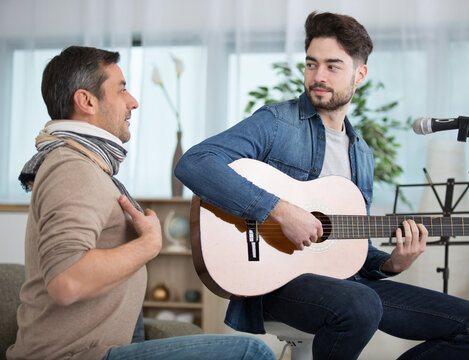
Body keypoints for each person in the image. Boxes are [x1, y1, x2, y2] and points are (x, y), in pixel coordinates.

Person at [175, 11, 469, 360]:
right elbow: (194, 163)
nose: (318, 76)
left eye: (332, 66)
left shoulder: (362, 154)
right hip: (274, 284)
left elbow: (351, 250)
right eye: (311, 64)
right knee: (360, 304)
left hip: (349, 286)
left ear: (360, 74)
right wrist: (280, 211)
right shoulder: (277, 123)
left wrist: (391, 265)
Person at [7, 46, 275, 360]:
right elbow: (67, 281)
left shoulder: (86, 165)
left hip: (97, 351)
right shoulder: (71, 167)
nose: (133, 101)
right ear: (86, 101)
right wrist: (149, 244)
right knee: (251, 352)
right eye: (121, 90)